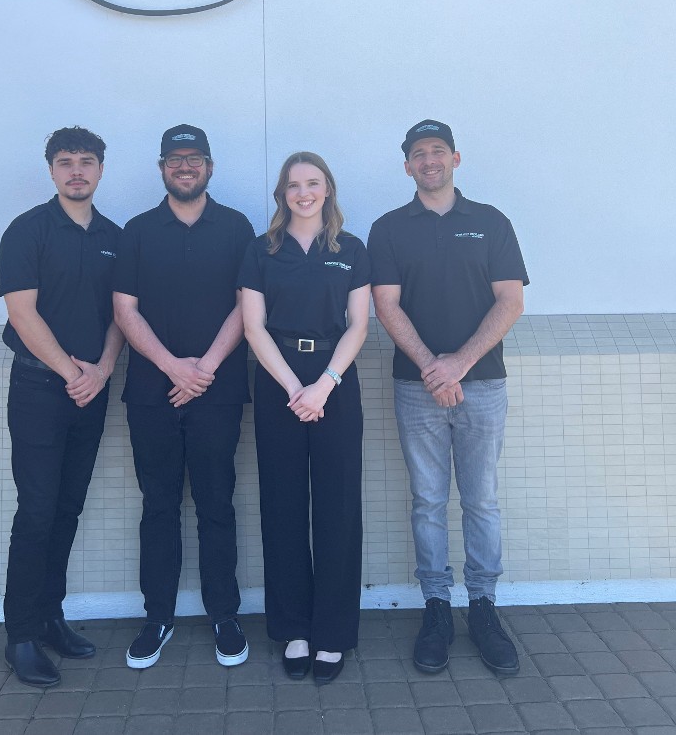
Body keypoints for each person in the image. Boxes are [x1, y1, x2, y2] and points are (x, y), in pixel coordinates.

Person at [368, 119, 528, 676]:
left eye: (438, 151)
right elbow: (386, 305)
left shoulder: (490, 222)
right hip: (416, 390)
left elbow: (510, 301)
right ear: (406, 165)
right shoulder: (388, 229)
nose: (429, 160)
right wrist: (432, 370)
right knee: (428, 502)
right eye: (418, 153)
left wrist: (457, 363)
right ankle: (437, 606)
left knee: (481, 500)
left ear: (456, 159)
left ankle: (482, 606)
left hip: (483, 386)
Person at [113, 125, 255, 669]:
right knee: (159, 506)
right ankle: (159, 617)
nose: (185, 166)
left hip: (217, 392)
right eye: (175, 159)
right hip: (152, 392)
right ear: (162, 169)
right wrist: (175, 367)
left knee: (218, 504)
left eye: (194, 158)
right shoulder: (138, 231)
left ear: (210, 167)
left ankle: (225, 614)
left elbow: (247, 305)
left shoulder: (237, 227)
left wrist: (206, 369)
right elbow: (126, 310)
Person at [0, 126, 124, 686]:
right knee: (37, 512)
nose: (77, 170)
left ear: (101, 170)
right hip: (38, 392)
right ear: (51, 170)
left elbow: (122, 315)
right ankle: (20, 635)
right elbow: (23, 313)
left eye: (87, 161)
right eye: (66, 161)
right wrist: (73, 372)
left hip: (90, 391)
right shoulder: (26, 231)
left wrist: (102, 370)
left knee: (68, 508)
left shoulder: (116, 238)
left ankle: (51, 618)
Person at [240, 152, 370, 684]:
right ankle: (293, 628)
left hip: (334, 382)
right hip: (279, 385)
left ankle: (333, 634)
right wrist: (295, 387)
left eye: (313, 183)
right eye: (293, 185)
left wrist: (324, 384)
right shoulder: (261, 251)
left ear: (328, 189)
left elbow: (359, 325)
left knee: (338, 508)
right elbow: (253, 326)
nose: (303, 193)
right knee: (283, 506)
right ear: (281, 194)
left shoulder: (352, 250)